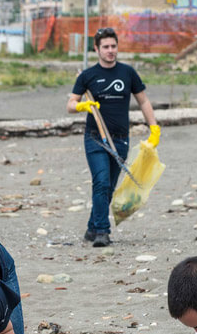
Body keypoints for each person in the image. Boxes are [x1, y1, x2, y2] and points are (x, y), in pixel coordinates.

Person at [67, 27, 159, 248]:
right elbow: (70, 104)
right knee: (101, 181)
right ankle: (102, 231)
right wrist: (82, 106)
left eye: (113, 46)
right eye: (106, 47)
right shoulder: (87, 76)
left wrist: (154, 128)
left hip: (120, 139)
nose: (110, 51)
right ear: (97, 49)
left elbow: (143, 101)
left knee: (107, 187)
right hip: (95, 138)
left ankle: (91, 227)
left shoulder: (128, 73)